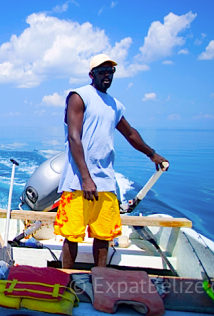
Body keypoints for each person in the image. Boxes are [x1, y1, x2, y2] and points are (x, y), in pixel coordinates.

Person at [53, 54, 169, 269]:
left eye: (110, 71)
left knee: (104, 235)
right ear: (92, 74)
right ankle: (66, 278)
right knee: (72, 236)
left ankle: (100, 278)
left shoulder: (115, 105)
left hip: (105, 182)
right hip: (78, 182)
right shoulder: (79, 97)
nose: (107, 75)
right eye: (101, 71)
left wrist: (152, 154)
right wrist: (86, 179)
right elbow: (73, 137)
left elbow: (130, 134)